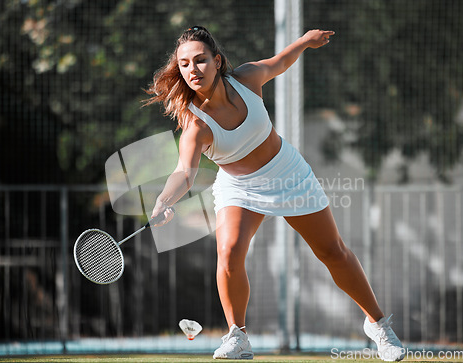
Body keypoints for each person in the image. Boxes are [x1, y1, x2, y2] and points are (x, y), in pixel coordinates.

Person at [145, 26, 405, 361]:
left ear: (217, 61)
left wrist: (305, 42)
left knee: (332, 252)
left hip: (288, 174)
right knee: (229, 252)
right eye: (184, 64)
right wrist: (163, 200)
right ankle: (237, 336)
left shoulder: (248, 79)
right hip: (240, 187)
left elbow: (280, 62)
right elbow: (184, 173)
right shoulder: (196, 126)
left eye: (200, 60)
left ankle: (379, 325)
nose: (192, 70)